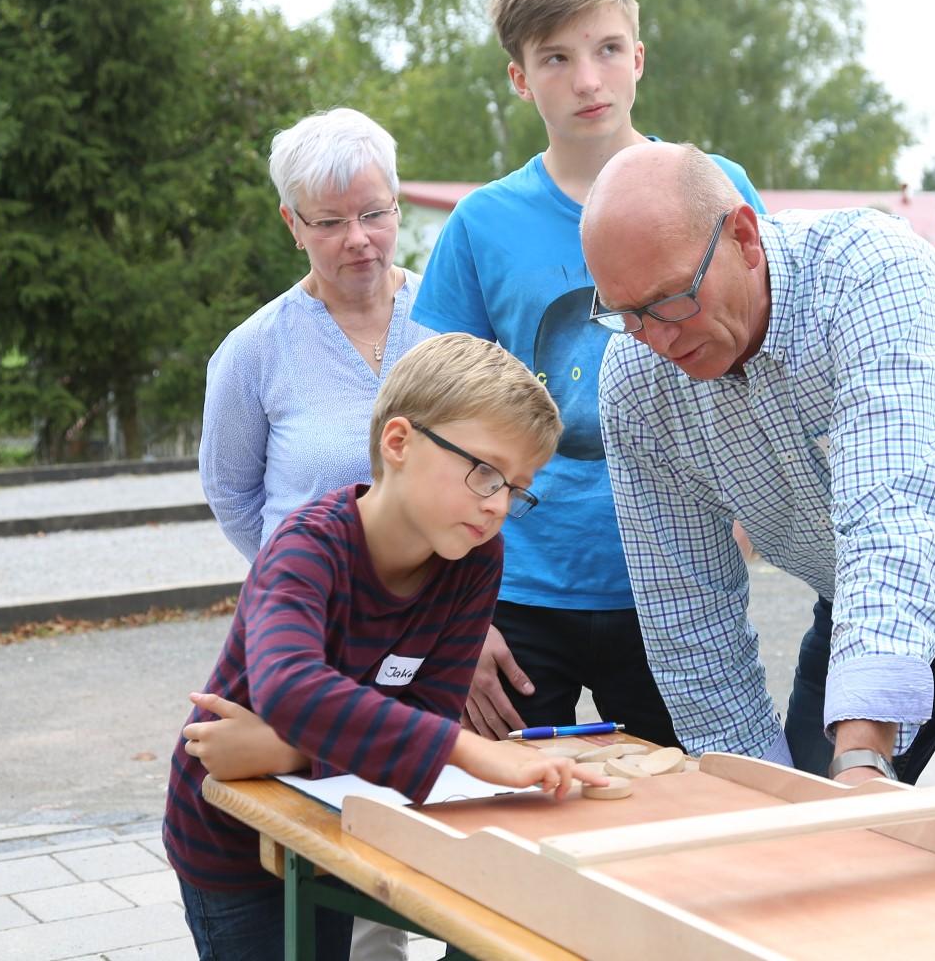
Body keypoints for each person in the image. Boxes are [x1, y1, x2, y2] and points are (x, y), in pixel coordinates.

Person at [585, 142, 935, 850]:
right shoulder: (636, 382)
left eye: (670, 301)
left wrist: (861, 758)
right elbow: (686, 607)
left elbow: (897, 515)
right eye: (626, 314)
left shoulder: (873, 274)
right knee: (799, 841)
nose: (656, 339)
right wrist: (760, 799)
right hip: (857, 593)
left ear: (744, 238)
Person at [413, 0, 767, 745]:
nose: (587, 80)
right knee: (508, 807)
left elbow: (766, 363)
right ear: (519, 78)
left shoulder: (718, 188)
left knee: (682, 807)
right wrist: (453, 608)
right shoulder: (481, 225)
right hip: (514, 585)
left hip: (677, 576)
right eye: (556, 59)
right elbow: (435, 425)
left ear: (638, 57)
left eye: (607, 49)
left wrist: (754, 514)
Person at [165, 334, 607, 961]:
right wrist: (470, 752)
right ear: (398, 443)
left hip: (333, 824)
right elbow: (291, 689)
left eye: (516, 488)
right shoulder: (306, 547)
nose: (497, 506)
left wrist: (283, 750)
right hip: (232, 844)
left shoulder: (475, 558)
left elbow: (426, 711)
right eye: (484, 473)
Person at [199, 108, 435, 562]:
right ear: (293, 223)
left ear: (396, 205)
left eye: (373, 213)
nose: (357, 237)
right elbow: (230, 492)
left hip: (442, 599)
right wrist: (296, 570)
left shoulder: (449, 321)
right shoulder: (254, 350)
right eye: (329, 222)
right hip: (313, 600)